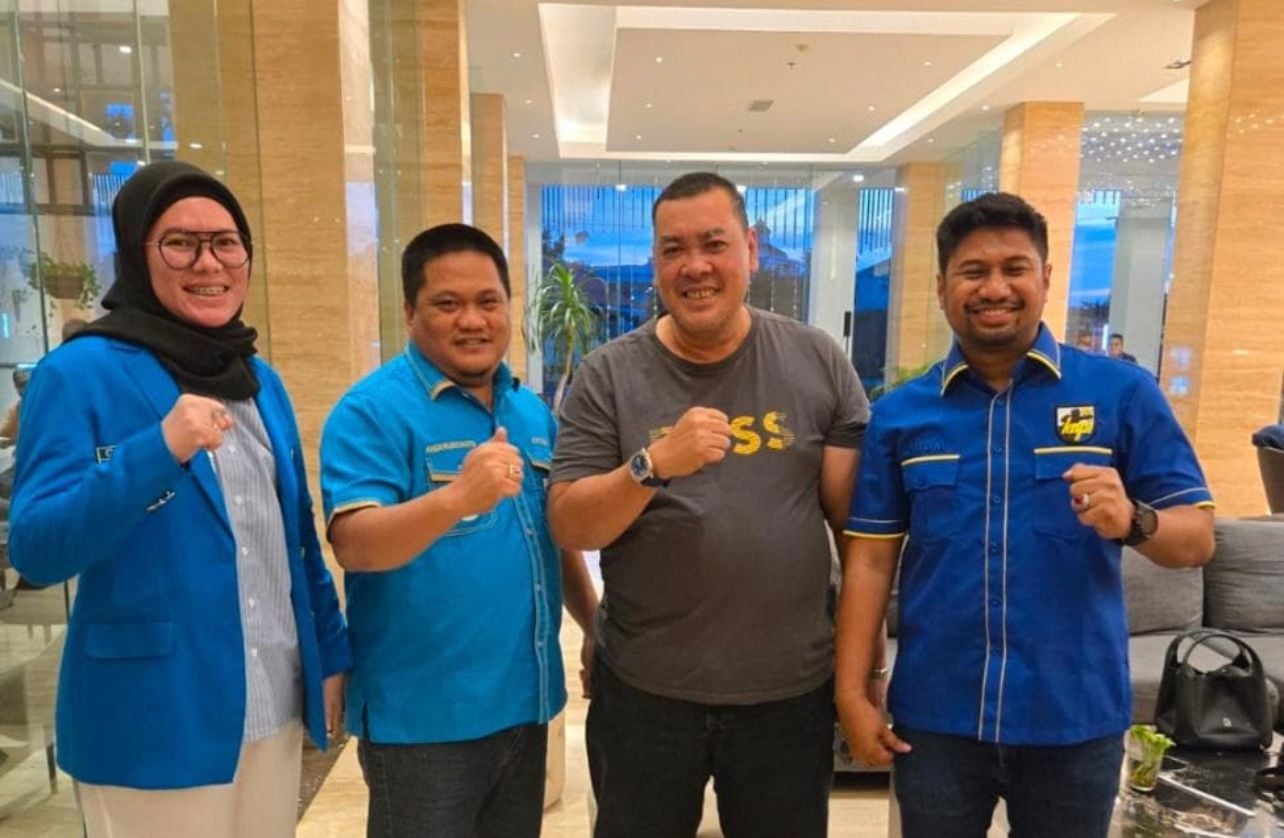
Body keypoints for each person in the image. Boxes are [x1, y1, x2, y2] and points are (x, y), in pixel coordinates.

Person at [835, 191, 1215, 838]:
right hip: (938, 717)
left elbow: (1196, 540)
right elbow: (870, 561)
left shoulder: (1122, 394)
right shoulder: (900, 415)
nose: (995, 288)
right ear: (942, 287)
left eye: (1015, 268)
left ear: (1045, 277)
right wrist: (852, 693)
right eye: (973, 271)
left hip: (1074, 717)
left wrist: (1134, 519)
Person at [8, 160, 351, 838]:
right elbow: (38, 548)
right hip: (150, 721)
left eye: (226, 243)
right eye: (180, 244)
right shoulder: (78, 374)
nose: (209, 263)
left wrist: (330, 655)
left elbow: (296, 541)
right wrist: (156, 451)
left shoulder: (259, 381)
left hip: (272, 703)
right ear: (137, 254)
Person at [549, 171, 870, 838]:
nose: (694, 266)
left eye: (714, 244)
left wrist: (864, 670)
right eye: (673, 249)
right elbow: (571, 522)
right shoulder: (608, 374)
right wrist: (651, 465)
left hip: (788, 696)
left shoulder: (817, 360)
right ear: (655, 262)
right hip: (645, 695)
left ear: (750, 248)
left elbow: (856, 532)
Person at [320, 222, 598, 838]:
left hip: (524, 707)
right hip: (424, 726)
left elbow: (552, 537)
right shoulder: (371, 411)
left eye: (488, 301)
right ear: (410, 312)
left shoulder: (529, 411)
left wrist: (593, 623)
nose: (472, 320)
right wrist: (457, 498)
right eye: (447, 304)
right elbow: (356, 545)